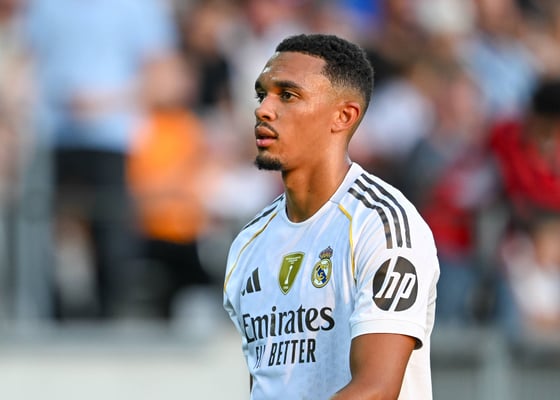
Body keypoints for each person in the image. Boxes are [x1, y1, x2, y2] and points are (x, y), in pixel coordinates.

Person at [223, 34, 440, 400]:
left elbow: (376, 390)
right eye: (262, 95)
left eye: (287, 95)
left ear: (343, 116)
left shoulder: (382, 225)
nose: (263, 110)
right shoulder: (248, 243)